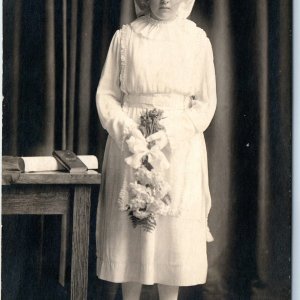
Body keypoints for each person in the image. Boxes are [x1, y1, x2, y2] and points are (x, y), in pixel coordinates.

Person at [95, 0, 217, 299]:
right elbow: (107, 95)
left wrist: (172, 133)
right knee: (132, 227)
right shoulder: (125, 37)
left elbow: (205, 102)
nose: (165, 1)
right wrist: (127, 130)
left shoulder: (196, 40)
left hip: (178, 149)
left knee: (170, 234)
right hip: (131, 143)